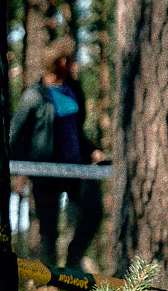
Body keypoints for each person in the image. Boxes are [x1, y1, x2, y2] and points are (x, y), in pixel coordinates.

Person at [9, 51, 104, 268]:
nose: (74, 66)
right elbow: (16, 134)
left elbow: (75, 130)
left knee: (93, 211)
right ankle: (49, 281)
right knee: (48, 230)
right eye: (71, 61)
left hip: (75, 169)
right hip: (45, 173)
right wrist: (19, 171)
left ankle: (73, 261)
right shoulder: (34, 95)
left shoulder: (73, 90)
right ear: (61, 62)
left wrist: (91, 150)